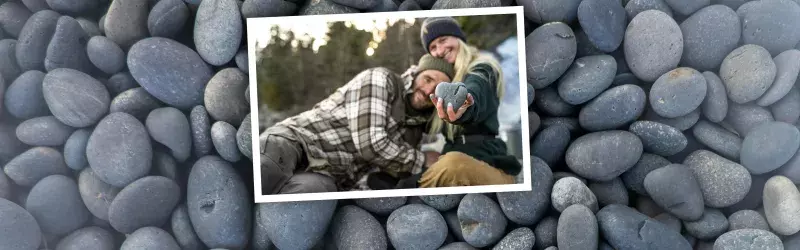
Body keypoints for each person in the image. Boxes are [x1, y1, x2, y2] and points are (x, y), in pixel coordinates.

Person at [259, 54, 455, 194]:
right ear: (415, 75)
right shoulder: (382, 79)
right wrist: (422, 160)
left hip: (326, 176)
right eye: (427, 79)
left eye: (438, 89)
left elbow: (374, 173)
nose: (428, 89)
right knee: (262, 173)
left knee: (299, 204)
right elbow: (371, 144)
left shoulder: (415, 133)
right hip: (297, 142)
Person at [400, 16, 523, 188]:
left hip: (489, 165)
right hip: (453, 159)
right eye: (433, 47)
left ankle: (407, 187)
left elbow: (476, 90)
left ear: (458, 38)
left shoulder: (482, 67)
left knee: (452, 163)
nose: (440, 50)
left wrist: (465, 105)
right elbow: (420, 118)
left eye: (443, 40)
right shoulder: (443, 81)